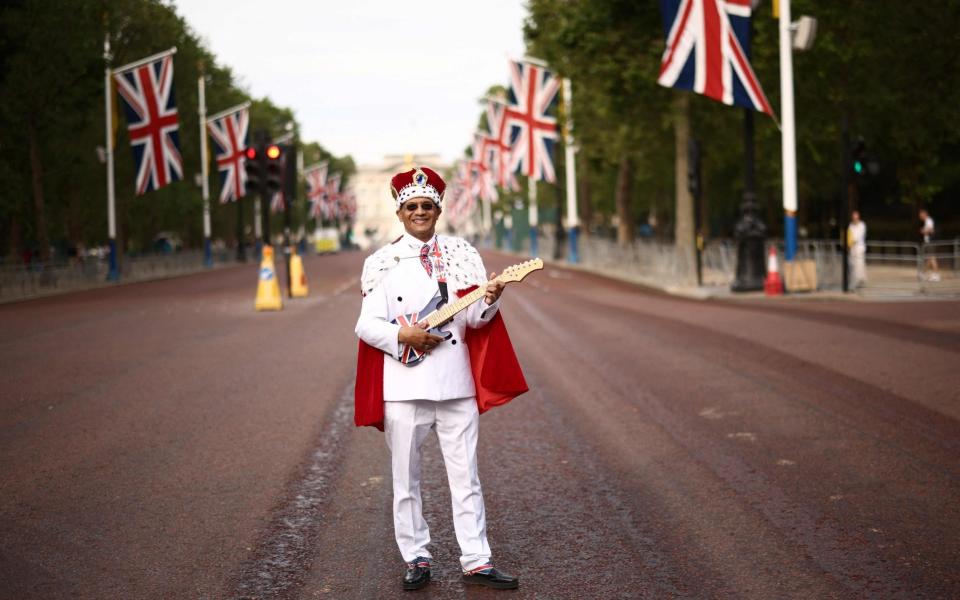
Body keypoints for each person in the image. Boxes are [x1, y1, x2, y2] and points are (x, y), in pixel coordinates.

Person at [354, 166, 526, 591]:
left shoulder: (462, 255)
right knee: (406, 478)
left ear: (438, 209)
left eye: (426, 206)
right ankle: (416, 557)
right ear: (399, 213)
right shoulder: (382, 262)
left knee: (465, 474)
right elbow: (366, 325)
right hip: (404, 385)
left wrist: (488, 300)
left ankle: (477, 558)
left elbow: (473, 319)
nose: (419, 212)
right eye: (411, 206)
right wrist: (402, 334)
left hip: (455, 382)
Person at [847, 210, 867, 288]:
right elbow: (849, 234)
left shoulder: (862, 225)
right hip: (852, 248)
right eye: (853, 217)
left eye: (856, 217)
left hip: (859, 248)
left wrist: (851, 241)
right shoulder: (851, 225)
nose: (855, 219)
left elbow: (858, 236)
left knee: (859, 264)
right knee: (852, 264)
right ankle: (854, 280)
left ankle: (860, 280)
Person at [919, 208, 940, 281]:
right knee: (929, 259)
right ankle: (923, 274)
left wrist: (923, 230)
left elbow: (931, 230)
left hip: (930, 242)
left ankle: (936, 275)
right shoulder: (927, 221)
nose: (920, 216)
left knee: (932, 258)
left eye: (921, 215)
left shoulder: (929, 221)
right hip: (928, 242)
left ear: (925, 214)